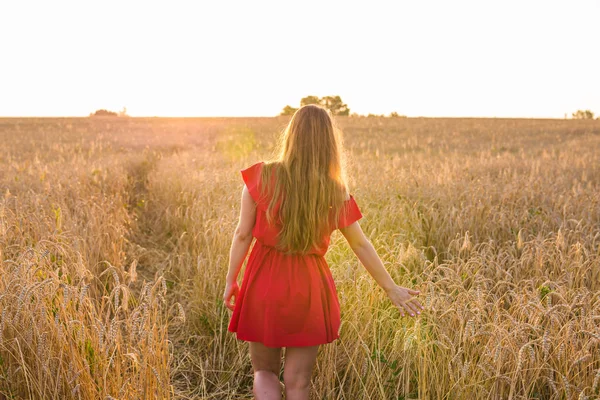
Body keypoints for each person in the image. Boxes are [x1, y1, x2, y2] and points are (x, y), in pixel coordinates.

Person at [223, 104, 424, 400]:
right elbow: (360, 244)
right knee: (298, 382)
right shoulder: (334, 190)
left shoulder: (261, 176)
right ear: (329, 142)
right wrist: (390, 288)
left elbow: (242, 234)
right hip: (309, 287)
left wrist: (231, 280)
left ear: (291, 135)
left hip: (263, 282)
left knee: (264, 373)